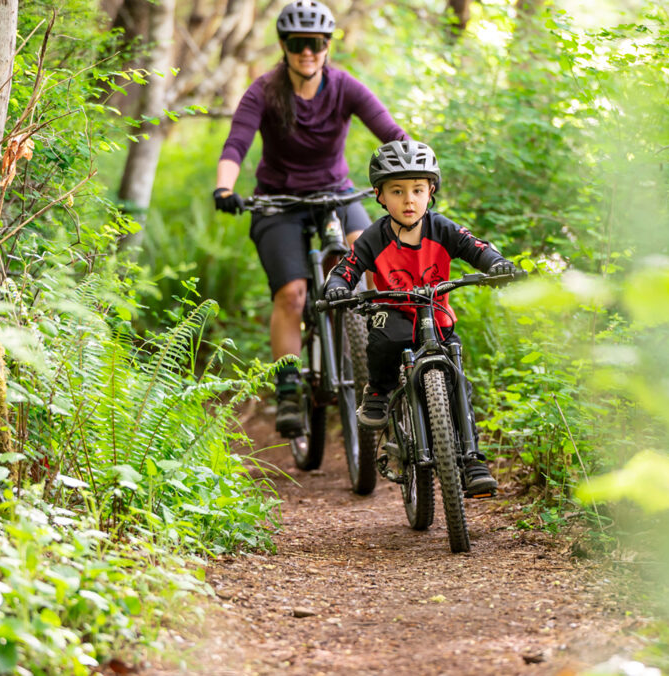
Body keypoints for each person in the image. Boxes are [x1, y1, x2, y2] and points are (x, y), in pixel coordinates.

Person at [213, 0, 407, 438]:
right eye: (299, 44)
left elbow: (392, 133)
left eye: (316, 43)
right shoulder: (263, 91)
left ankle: (384, 358)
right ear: (284, 46)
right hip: (277, 202)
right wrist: (225, 188)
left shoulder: (344, 87)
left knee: (375, 261)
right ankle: (287, 388)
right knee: (293, 294)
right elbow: (236, 146)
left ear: (327, 46)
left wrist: (416, 172)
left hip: (336, 194)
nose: (308, 53)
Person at [323, 140, 517, 498]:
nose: (408, 200)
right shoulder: (373, 237)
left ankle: (471, 459)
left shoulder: (442, 229)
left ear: (431, 192)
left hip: (436, 317)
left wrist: (496, 264)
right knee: (383, 341)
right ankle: (379, 392)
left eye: (417, 190)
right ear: (380, 196)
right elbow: (347, 269)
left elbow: (475, 247)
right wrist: (337, 286)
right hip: (393, 313)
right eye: (397, 191)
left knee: (459, 379)